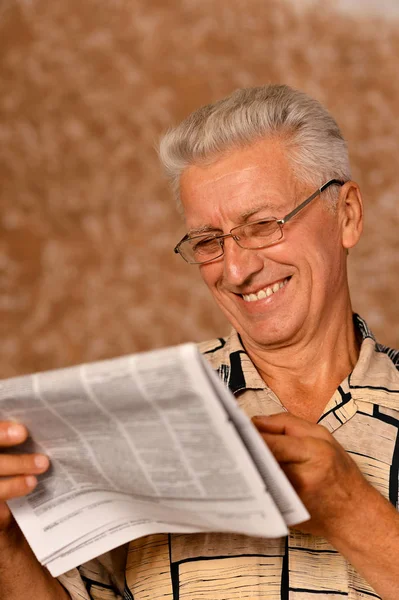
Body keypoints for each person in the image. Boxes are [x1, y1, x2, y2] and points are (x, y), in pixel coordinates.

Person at [0, 84, 398, 600]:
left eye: (262, 225)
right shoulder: (134, 413)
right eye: (209, 242)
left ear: (346, 215)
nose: (236, 269)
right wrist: (6, 544)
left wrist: (353, 511)